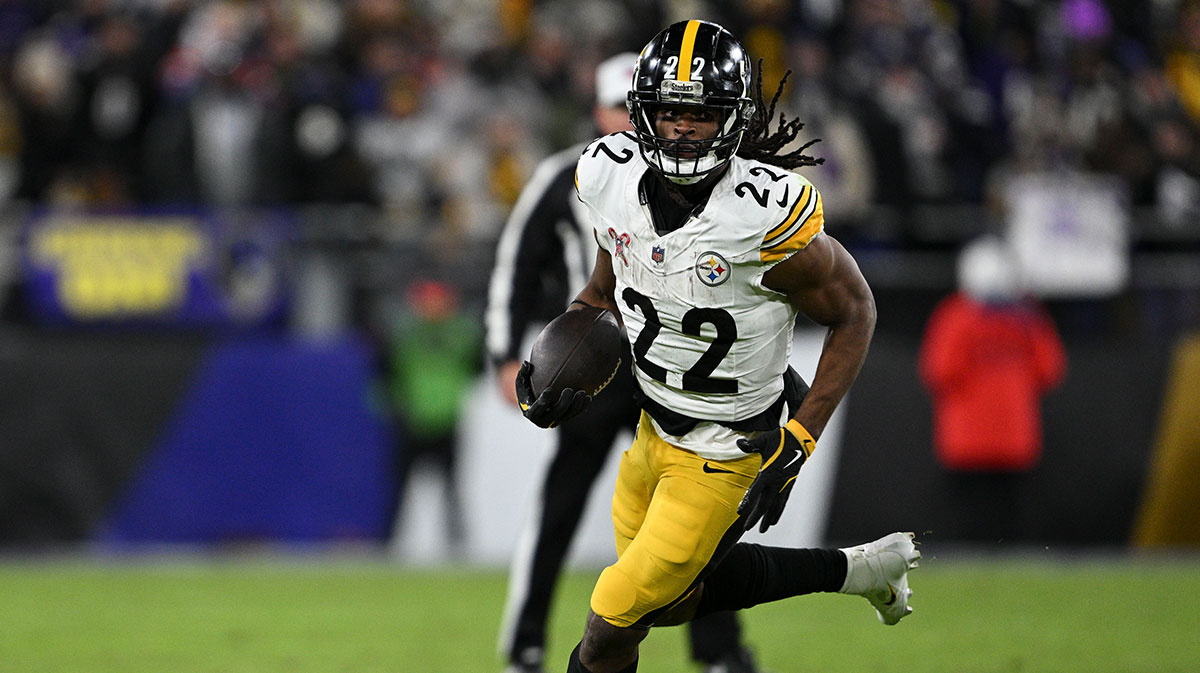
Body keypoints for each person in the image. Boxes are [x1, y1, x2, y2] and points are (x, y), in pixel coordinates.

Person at [512, 21, 920, 673]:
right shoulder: (607, 177)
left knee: (609, 620)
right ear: (642, 115)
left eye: (699, 114)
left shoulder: (759, 217)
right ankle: (860, 569)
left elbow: (856, 311)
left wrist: (800, 437)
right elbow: (602, 285)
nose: (681, 128)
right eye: (669, 111)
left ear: (730, 120)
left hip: (725, 452)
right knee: (670, 604)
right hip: (652, 430)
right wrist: (565, 356)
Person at [488, 52, 763, 673]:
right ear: (601, 109)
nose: (624, 120)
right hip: (594, 365)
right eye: (614, 106)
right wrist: (506, 353)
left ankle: (719, 652)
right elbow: (517, 263)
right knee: (559, 507)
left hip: (671, 365)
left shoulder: (703, 177)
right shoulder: (574, 174)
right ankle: (526, 642)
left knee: (695, 526)